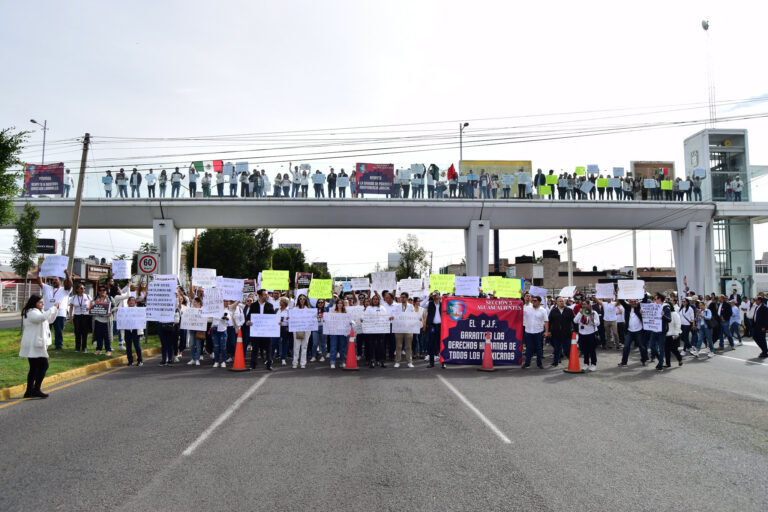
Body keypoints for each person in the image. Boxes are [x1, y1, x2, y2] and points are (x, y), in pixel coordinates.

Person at [19, 295, 59, 398]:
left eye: (42, 302)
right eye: (40, 302)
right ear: (34, 303)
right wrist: (53, 308)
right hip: (33, 343)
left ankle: (29, 391)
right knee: (43, 366)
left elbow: (49, 320)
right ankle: (35, 389)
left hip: (36, 343)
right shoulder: (31, 312)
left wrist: (55, 310)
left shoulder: (38, 311)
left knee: (34, 368)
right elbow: (41, 318)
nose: (43, 304)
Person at [35, 268, 72, 350]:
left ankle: (58, 345)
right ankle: (44, 344)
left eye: (56, 280)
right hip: (48, 313)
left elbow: (69, 284)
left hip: (59, 314)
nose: (54, 281)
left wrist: (66, 274)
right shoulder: (47, 288)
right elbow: (39, 282)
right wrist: (39, 273)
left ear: (60, 281)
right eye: (53, 280)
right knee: (45, 329)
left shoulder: (64, 290)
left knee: (58, 331)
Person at [245, 290, 276, 371]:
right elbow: (248, 316)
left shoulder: (270, 305)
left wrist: (277, 322)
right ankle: (253, 365)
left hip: (266, 331)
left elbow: (273, 317)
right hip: (256, 331)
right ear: (260, 296)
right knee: (255, 348)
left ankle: (269, 364)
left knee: (268, 348)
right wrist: (248, 322)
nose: (267, 296)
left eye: (267, 295)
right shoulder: (254, 305)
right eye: (265, 295)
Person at [522, 295, 549, 369]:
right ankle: (527, 363)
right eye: (532, 300)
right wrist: (521, 295)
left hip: (538, 332)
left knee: (539, 348)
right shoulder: (527, 309)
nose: (533, 302)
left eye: (535, 301)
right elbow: (518, 310)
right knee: (529, 349)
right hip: (528, 332)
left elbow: (546, 322)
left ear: (539, 302)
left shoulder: (543, 310)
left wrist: (546, 332)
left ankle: (539, 363)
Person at [618, 299, 647, 367]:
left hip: (639, 331)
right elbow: (621, 301)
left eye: (635, 301)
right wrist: (618, 292)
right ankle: (624, 362)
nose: (634, 303)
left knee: (642, 347)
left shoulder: (639, 307)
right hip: (629, 331)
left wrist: (644, 291)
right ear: (629, 302)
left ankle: (643, 360)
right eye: (632, 302)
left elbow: (644, 300)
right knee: (626, 347)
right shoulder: (627, 307)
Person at [548, 296, 574, 367]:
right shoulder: (553, 311)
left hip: (567, 333)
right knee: (557, 348)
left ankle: (572, 363)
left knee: (567, 349)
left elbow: (573, 321)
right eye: (560, 301)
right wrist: (549, 331)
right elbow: (550, 321)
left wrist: (575, 330)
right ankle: (555, 362)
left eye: (562, 301)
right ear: (556, 302)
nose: (561, 302)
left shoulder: (569, 310)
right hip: (556, 333)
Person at [574, 300, 600, 371]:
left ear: (589, 305)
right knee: (584, 350)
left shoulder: (594, 313)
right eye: (582, 304)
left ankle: (593, 364)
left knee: (592, 350)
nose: (583, 306)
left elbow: (598, 323)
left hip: (591, 333)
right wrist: (580, 313)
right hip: (582, 334)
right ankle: (586, 363)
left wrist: (592, 318)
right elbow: (575, 321)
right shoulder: (581, 313)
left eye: (585, 304)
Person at [648, 293, 671, 371]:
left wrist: (663, 315)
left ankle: (660, 364)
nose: (654, 300)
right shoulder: (654, 306)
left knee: (661, 348)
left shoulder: (666, 307)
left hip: (662, 331)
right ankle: (660, 360)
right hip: (654, 329)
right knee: (651, 346)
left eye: (655, 298)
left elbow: (669, 319)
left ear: (660, 299)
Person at [327, 299, 352, 368]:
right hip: (334, 332)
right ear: (336, 304)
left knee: (342, 347)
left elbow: (348, 321)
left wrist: (350, 323)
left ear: (343, 305)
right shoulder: (333, 312)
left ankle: (342, 361)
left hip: (342, 332)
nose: (340, 304)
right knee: (333, 346)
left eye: (341, 303)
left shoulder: (346, 313)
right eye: (338, 303)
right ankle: (332, 362)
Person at [68, 283, 91, 353]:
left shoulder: (87, 296)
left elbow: (92, 305)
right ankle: (77, 347)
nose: (83, 289)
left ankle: (84, 348)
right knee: (77, 332)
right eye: (81, 288)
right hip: (77, 316)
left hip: (85, 316)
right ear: (77, 289)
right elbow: (71, 307)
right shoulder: (74, 297)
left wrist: (89, 308)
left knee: (84, 332)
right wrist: (70, 317)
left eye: (84, 288)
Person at [393, 292, 415, 368]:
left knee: (408, 346)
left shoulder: (411, 306)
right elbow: (394, 315)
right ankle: (397, 362)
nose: (402, 298)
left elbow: (414, 316)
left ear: (407, 298)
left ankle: (409, 362)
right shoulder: (397, 306)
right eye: (401, 297)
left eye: (404, 297)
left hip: (408, 328)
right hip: (399, 328)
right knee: (398, 346)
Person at [121, 296, 144, 366]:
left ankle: (140, 360)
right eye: (130, 300)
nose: (131, 302)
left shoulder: (138, 310)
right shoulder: (124, 310)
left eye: (133, 300)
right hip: (127, 330)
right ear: (128, 302)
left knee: (137, 345)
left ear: (135, 302)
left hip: (135, 330)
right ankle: (130, 360)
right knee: (128, 346)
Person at [291, 294, 312, 368]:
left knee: (304, 346)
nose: (302, 300)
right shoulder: (295, 309)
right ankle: (295, 362)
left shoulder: (308, 309)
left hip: (306, 330)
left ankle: (303, 363)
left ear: (306, 300)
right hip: (297, 329)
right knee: (296, 346)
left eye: (303, 298)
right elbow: (292, 318)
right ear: (298, 300)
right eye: (300, 298)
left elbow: (311, 320)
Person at [424, 291, 444, 368]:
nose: (435, 296)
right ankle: (431, 363)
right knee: (431, 344)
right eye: (434, 295)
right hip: (432, 326)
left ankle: (443, 363)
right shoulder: (430, 303)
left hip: (441, 326)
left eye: (437, 295)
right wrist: (428, 297)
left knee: (442, 345)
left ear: (439, 296)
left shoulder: (443, 304)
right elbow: (421, 305)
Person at [186, 296, 205, 365]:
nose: (194, 303)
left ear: (199, 303)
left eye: (195, 302)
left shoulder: (202, 310)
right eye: (193, 302)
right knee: (192, 345)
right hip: (192, 329)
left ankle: (197, 359)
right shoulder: (191, 310)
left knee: (198, 344)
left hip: (199, 330)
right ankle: (192, 359)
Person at [664, 302, 683, 367]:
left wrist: (676, 333)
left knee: (673, 349)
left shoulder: (674, 314)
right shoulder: (664, 314)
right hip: (667, 334)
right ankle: (668, 363)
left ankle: (680, 359)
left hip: (674, 334)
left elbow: (678, 324)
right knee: (666, 349)